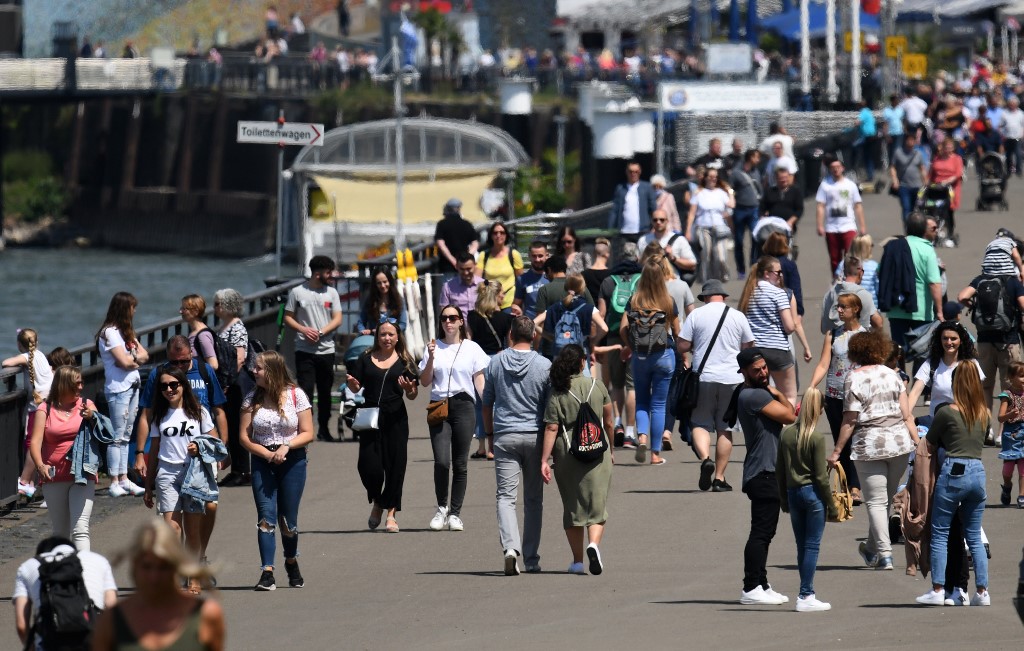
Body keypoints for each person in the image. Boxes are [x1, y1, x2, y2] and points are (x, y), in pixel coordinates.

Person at [829, 330, 918, 571]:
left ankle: (885, 554)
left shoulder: (853, 377)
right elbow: (907, 414)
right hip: (899, 442)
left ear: (855, 353)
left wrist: (837, 451)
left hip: (869, 443)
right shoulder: (893, 375)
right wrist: (916, 441)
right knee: (885, 500)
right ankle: (870, 547)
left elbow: (850, 419)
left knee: (876, 502)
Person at [915, 363, 992, 607]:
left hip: (953, 469)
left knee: (940, 531)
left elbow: (930, 440)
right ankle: (982, 592)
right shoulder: (984, 413)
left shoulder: (947, 412)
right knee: (974, 536)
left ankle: (938, 588)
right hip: (977, 471)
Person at [239, 351, 314, 591]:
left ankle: (291, 561)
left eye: (259, 368)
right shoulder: (252, 398)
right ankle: (267, 573)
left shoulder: (295, 395)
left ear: (271, 371)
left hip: (292, 461)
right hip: (263, 461)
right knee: (265, 518)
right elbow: (244, 436)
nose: (254, 371)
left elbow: (308, 432)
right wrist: (265, 454)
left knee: (287, 521)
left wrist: (286, 446)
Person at [483, 315, 552, 575]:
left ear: (511, 334)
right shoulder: (544, 365)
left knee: (505, 497)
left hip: (505, 435)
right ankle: (531, 558)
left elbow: (487, 402)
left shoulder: (496, 362)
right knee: (533, 500)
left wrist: (489, 434)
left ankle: (510, 548)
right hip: (534, 435)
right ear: (533, 335)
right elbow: (550, 408)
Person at [91, 519, 225, 650]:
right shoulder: (112, 621)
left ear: (177, 566)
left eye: (163, 567)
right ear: (134, 565)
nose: (154, 577)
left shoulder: (205, 616)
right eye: (147, 566)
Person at [141, 365, 217, 595]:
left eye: (174, 384)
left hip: (193, 472)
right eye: (164, 386)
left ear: (183, 385)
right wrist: (148, 485)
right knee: (172, 529)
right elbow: (154, 449)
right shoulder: (159, 415)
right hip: (167, 473)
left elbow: (215, 441)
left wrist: (199, 446)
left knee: (192, 530)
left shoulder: (199, 412)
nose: (169, 389)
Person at [732, 347, 797, 605]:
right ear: (745, 372)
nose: (762, 372)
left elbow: (787, 411)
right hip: (763, 472)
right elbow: (790, 416)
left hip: (767, 471)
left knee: (765, 532)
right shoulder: (753, 396)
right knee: (760, 532)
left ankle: (761, 583)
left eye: (764, 367)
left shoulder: (757, 393)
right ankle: (750, 587)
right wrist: (778, 392)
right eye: (756, 370)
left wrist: (777, 392)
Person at [540, 344, 613, 575]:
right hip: (598, 450)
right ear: (582, 362)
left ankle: (578, 561)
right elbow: (609, 420)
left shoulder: (558, 392)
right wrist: (611, 449)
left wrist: (544, 459)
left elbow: (552, 427)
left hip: (568, 452)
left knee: (573, 506)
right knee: (597, 504)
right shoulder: (596, 385)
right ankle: (594, 545)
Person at [678, 280, 756, 492]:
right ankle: (719, 478)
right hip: (732, 378)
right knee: (725, 429)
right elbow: (749, 347)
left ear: (704, 298)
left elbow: (682, 345)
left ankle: (705, 458)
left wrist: (695, 345)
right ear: (723, 296)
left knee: (700, 423)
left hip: (703, 378)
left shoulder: (696, 315)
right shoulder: (737, 316)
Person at [419, 306, 490, 532]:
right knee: (441, 461)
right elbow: (425, 381)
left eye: (453, 318)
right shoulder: (433, 347)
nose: (448, 322)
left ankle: (455, 513)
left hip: (464, 405)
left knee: (460, 463)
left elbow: (479, 379)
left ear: (461, 321)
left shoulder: (472, 348)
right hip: (439, 405)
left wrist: (488, 403)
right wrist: (430, 358)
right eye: (444, 319)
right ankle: (441, 508)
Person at [345, 318, 419, 533]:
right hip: (370, 417)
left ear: (398, 337)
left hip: (395, 417)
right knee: (369, 466)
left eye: (391, 334)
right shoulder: (365, 358)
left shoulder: (405, 360)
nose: (387, 338)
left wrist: (409, 390)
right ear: (377, 337)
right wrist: (353, 385)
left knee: (395, 467)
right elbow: (356, 386)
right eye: (383, 334)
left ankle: (391, 513)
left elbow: (413, 395)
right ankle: (378, 500)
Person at [776, 388, 838, 612]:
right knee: (812, 546)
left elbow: (780, 470)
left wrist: (783, 499)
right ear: (818, 409)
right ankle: (806, 594)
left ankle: (805, 592)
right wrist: (831, 505)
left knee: (802, 546)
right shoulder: (816, 437)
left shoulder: (787, 434)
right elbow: (821, 477)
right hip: (812, 494)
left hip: (793, 493)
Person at [957, 242, 1024, 445]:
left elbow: (961, 296)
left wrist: (973, 305)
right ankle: (1003, 432)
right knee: (1009, 388)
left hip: (984, 342)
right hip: (1008, 342)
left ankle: (987, 430)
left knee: (986, 387)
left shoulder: (980, 280)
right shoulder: (1012, 282)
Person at [29, 365, 99, 551]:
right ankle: (63, 574)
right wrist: (40, 465)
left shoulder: (86, 404)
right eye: (76, 383)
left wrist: (93, 417)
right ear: (64, 384)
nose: (81, 387)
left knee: (80, 529)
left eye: (82, 382)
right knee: (60, 532)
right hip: (54, 476)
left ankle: (84, 575)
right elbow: (35, 442)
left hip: (82, 475)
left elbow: (102, 431)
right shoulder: (45, 408)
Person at [619, 259, 679, 466]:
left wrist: (631, 346)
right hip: (664, 356)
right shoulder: (668, 301)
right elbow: (678, 333)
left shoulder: (634, 300)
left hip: (640, 357)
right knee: (659, 405)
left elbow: (622, 329)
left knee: (642, 400)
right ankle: (655, 454)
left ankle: (641, 437)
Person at [810, 293, 866, 504]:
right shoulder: (832, 334)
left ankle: (855, 486)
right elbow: (824, 363)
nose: (840, 310)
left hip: (857, 396)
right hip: (834, 394)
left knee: (855, 440)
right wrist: (812, 386)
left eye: (844, 307)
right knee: (840, 440)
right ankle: (844, 484)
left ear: (856, 309)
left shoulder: (865, 335)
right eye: (839, 307)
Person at [13, 536, 117, 650]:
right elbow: (113, 611)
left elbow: (21, 626)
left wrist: (31, 647)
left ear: (41, 553)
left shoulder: (28, 566)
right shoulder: (98, 560)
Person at [283, 255, 342, 442]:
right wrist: (303, 329)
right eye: (327, 272)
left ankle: (324, 428)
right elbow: (288, 317)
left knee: (325, 391)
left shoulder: (332, 293)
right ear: (317, 273)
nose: (330, 276)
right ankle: (305, 429)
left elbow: (337, 318)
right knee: (306, 390)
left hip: (326, 350)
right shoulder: (297, 292)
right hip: (304, 350)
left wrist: (321, 332)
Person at [96, 291, 149, 497]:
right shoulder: (109, 332)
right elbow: (123, 362)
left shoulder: (126, 333)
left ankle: (125, 479)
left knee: (126, 435)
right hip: (118, 388)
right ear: (124, 308)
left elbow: (144, 354)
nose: (134, 312)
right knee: (117, 436)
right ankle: (114, 480)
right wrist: (134, 358)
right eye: (132, 308)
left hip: (133, 384)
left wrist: (133, 357)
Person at [597, 243, 641, 450]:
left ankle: (617, 423)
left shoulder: (607, 281)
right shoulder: (642, 281)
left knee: (616, 384)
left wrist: (597, 342)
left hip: (613, 338)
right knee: (632, 386)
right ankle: (631, 432)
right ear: (637, 258)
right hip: (636, 338)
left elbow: (602, 315)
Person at [738, 257, 799, 405]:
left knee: (761, 393)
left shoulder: (748, 293)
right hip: (778, 349)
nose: (780, 275)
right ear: (767, 273)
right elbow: (790, 327)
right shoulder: (779, 293)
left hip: (755, 350)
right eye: (778, 272)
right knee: (789, 394)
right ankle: (784, 425)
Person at [879, 212, 944, 351]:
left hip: (896, 307)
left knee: (898, 350)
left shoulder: (894, 246)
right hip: (921, 310)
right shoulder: (927, 249)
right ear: (923, 229)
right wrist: (939, 311)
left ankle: (898, 373)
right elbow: (934, 283)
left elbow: (881, 271)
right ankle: (917, 374)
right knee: (922, 352)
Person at [3, 328, 54, 500]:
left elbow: (6, 363)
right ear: (36, 342)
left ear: (19, 345)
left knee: (34, 443)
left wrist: (19, 363)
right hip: (50, 402)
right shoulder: (40, 356)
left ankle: (25, 481)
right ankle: (32, 483)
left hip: (38, 407)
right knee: (40, 443)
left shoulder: (26, 357)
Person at [467, 281, 514, 459]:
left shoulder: (472, 316)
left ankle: (481, 446)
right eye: (502, 293)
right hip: (497, 360)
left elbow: (469, 342)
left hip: (478, 362)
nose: (503, 296)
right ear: (495, 295)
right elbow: (510, 346)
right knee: (497, 403)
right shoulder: (507, 318)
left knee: (480, 404)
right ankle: (494, 446)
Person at [213, 288, 251, 487]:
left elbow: (239, 357)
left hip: (235, 384)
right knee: (231, 424)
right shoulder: (224, 326)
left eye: (218, 304)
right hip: (227, 382)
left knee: (237, 425)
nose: (215, 308)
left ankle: (243, 470)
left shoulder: (237, 327)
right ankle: (236, 467)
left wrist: (227, 382)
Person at [907, 321, 985, 418]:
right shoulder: (931, 363)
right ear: (940, 340)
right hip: (935, 422)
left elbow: (978, 396)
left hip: (963, 421)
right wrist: (906, 416)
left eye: (953, 339)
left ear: (961, 341)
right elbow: (914, 393)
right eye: (945, 338)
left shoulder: (971, 364)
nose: (949, 342)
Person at [815, 156, 867, 273]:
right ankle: (836, 281)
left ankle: (851, 278)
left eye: (838, 167)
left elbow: (858, 206)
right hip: (831, 228)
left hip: (848, 226)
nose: (835, 170)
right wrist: (819, 225)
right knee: (834, 259)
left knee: (851, 256)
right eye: (833, 167)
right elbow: (820, 206)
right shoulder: (825, 185)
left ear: (842, 168)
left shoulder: (850, 185)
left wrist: (862, 226)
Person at [686, 166, 735, 283]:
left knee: (721, 257)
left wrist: (730, 192)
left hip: (719, 228)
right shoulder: (699, 193)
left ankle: (722, 277)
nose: (713, 179)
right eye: (711, 176)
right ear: (706, 178)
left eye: (715, 177)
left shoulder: (721, 193)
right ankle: (707, 281)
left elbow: (731, 205)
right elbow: (692, 213)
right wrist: (688, 230)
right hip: (703, 228)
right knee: (706, 255)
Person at [820, 255, 883, 334]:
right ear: (861, 272)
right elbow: (878, 323)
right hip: (858, 342)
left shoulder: (830, 294)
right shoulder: (863, 294)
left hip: (834, 343)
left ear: (844, 272)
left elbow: (824, 328)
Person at [729, 150, 763, 279]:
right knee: (738, 241)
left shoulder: (756, 172)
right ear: (750, 158)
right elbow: (730, 188)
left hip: (754, 209)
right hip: (740, 210)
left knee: (755, 237)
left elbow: (760, 188)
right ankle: (741, 269)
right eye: (756, 157)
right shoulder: (736, 173)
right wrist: (731, 198)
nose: (758, 160)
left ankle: (754, 264)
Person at [637, 209, 696, 279]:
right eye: (655, 220)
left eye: (662, 220)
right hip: (648, 281)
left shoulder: (679, 240)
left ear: (667, 221)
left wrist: (673, 258)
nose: (658, 222)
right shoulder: (643, 240)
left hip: (671, 281)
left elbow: (692, 264)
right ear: (651, 221)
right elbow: (638, 263)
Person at [478, 221, 523, 311]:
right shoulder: (484, 255)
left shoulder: (514, 254)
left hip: (510, 302)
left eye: (502, 232)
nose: (498, 235)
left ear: (506, 235)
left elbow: (520, 281)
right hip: (490, 303)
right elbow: (477, 280)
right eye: (495, 233)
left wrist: (518, 303)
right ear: (491, 236)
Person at [927, 138, 964, 246]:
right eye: (946, 147)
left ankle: (950, 232)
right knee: (933, 211)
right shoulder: (937, 158)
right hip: (936, 188)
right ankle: (933, 232)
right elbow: (931, 173)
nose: (948, 150)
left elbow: (958, 173)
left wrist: (947, 181)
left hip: (950, 188)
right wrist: (927, 183)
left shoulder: (957, 159)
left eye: (950, 148)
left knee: (948, 212)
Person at [998, 361, 1024, 508]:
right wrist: (1009, 414)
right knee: (1007, 470)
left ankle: (1022, 496)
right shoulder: (1006, 395)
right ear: (1011, 377)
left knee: (1023, 469)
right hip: (1011, 433)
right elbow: (1000, 417)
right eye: (1021, 376)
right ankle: (1007, 487)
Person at [609, 160, 658, 239]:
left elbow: (653, 208)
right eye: (631, 171)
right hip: (624, 231)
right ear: (627, 172)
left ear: (640, 172)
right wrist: (610, 229)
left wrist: (654, 227)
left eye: (636, 172)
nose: (633, 174)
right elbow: (614, 210)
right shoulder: (620, 188)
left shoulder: (647, 187)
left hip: (643, 231)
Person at [435, 198, 479, 278]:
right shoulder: (467, 224)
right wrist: (466, 258)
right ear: (459, 209)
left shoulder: (442, 224)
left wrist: (453, 260)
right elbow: (475, 243)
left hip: (446, 267)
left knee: (448, 289)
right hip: (464, 268)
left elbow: (441, 244)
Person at [890, 133, 928, 222]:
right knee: (906, 208)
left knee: (915, 208)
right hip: (903, 185)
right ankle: (908, 230)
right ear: (905, 141)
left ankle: (914, 228)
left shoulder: (918, 153)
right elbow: (893, 167)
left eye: (912, 140)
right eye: (909, 140)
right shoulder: (898, 152)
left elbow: (922, 168)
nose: (911, 142)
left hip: (917, 186)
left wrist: (925, 181)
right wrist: (895, 180)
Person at [356, 267, 407, 334]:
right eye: (379, 283)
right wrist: (363, 331)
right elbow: (361, 322)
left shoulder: (399, 300)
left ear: (390, 281)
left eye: (385, 282)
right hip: (373, 339)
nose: (382, 285)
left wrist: (388, 331)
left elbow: (403, 325)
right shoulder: (370, 301)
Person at [438, 251, 484, 320]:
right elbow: (444, 313)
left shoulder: (483, 285)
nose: (466, 273)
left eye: (469, 269)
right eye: (462, 269)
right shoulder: (448, 287)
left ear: (475, 265)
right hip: (458, 328)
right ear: (456, 267)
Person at [180, 294, 219, 372]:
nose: (180, 311)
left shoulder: (203, 335)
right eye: (181, 308)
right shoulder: (194, 333)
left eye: (184, 309)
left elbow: (213, 365)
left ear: (195, 311)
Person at [760, 165, 803, 230]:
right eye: (781, 178)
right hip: (772, 225)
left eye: (785, 177)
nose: (783, 180)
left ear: (789, 177)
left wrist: (791, 221)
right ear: (776, 178)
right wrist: (762, 218)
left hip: (788, 225)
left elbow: (799, 210)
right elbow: (762, 208)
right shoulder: (769, 191)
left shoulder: (795, 191)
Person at [513, 241, 550, 319]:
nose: (537, 259)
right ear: (529, 256)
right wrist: (516, 310)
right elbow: (516, 304)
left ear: (547, 256)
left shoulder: (553, 277)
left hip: (549, 325)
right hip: (530, 325)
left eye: (540, 256)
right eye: (534, 256)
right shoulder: (522, 279)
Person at [999, 95, 1024, 176]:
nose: (1012, 105)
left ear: (1017, 104)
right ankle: (1009, 170)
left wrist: (1022, 135)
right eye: (1011, 104)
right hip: (1008, 137)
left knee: (1018, 154)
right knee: (1008, 154)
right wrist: (1002, 135)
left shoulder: (1021, 113)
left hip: (1017, 137)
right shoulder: (1005, 113)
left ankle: (1019, 170)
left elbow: (1023, 125)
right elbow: (1000, 125)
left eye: (1014, 104)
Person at [854, 98, 878, 181]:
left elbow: (857, 122)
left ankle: (868, 174)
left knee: (865, 156)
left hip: (867, 136)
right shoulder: (868, 111)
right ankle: (870, 173)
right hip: (872, 135)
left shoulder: (863, 112)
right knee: (869, 156)